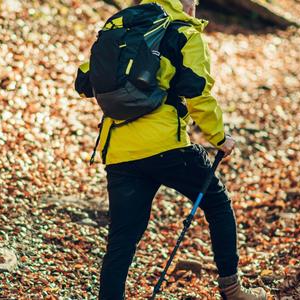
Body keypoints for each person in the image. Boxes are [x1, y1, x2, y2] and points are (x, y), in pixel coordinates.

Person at [75, 0, 267, 299]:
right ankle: (232, 290)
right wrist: (219, 137)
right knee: (217, 204)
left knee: (122, 239)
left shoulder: (123, 27)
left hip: (119, 151)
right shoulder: (184, 34)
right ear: (185, 3)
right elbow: (198, 94)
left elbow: (84, 82)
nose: (195, 7)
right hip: (166, 146)